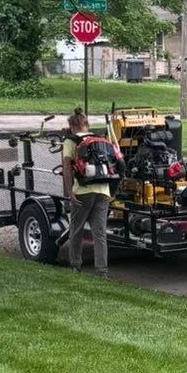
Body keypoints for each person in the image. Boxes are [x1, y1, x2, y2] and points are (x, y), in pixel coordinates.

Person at [62, 109, 114, 276]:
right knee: (99, 233)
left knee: (76, 230)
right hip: (103, 190)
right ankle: (102, 271)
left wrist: (70, 192)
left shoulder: (71, 141)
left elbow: (67, 169)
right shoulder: (101, 139)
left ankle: (76, 266)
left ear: (72, 126)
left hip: (83, 191)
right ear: (87, 124)